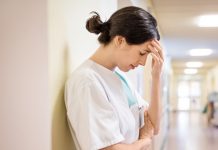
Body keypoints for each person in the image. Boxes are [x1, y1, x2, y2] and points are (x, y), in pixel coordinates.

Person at [65, 6, 164, 150]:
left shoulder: (120, 77)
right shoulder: (87, 82)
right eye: (142, 53)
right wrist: (144, 141)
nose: (143, 63)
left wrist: (156, 78)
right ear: (120, 41)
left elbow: (154, 126)